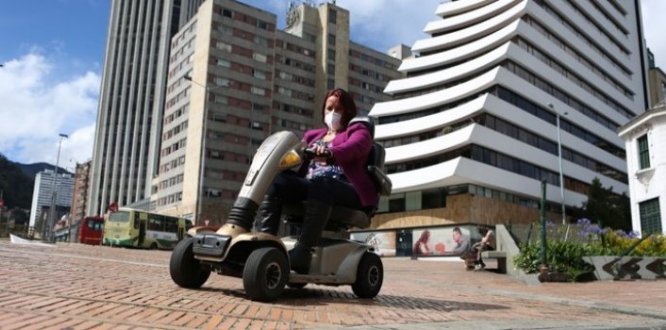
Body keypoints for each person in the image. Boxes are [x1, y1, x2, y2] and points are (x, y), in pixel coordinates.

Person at [251, 88, 378, 273]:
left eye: (338, 109)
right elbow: (293, 153)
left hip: (348, 190)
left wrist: (332, 152)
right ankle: (265, 245)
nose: (332, 113)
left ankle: (304, 251)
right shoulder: (313, 136)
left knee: (323, 183)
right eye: (329, 108)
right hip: (313, 186)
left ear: (348, 112)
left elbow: (356, 147)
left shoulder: (358, 130)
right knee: (279, 181)